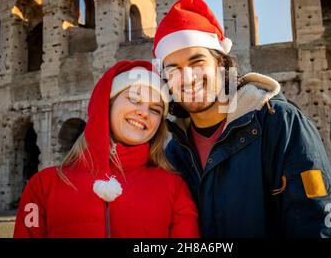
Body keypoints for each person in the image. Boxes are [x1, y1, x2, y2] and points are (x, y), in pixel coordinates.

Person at [153, 0, 331, 238]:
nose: (188, 78)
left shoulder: (281, 124)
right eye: (173, 69)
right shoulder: (174, 153)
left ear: (222, 64)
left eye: (198, 62)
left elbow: (321, 227)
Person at [13, 60, 199, 238]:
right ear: (106, 104)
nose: (144, 112)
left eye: (156, 109)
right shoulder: (43, 186)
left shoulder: (174, 187)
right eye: (134, 99)